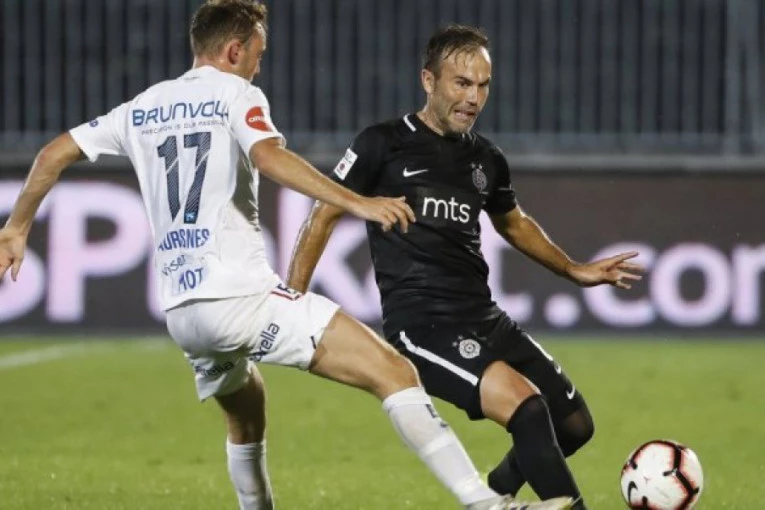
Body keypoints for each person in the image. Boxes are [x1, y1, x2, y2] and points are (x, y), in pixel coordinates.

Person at [0, 3, 574, 510]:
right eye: (257, 55)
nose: (259, 66)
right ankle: (483, 501)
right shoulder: (237, 94)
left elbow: (53, 153)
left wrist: (18, 226)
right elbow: (271, 157)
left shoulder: (144, 106)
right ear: (234, 50)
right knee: (394, 372)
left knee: (246, 411)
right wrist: (359, 202)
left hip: (182, 313)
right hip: (240, 296)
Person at [288, 24, 645, 510]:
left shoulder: (486, 158)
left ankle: (496, 494)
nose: (473, 98)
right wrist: (291, 302)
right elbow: (323, 214)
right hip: (423, 326)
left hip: (484, 316)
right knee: (527, 408)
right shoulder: (382, 144)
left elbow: (513, 222)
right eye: (461, 83)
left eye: (482, 85)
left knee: (574, 424)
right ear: (428, 80)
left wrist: (573, 269)